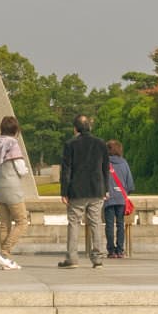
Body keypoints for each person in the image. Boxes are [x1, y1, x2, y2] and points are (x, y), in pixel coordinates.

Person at [59, 114, 110, 270]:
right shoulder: (101, 144)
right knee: (96, 222)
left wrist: (64, 192)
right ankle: (97, 259)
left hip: (77, 190)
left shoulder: (70, 144)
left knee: (74, 223)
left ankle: (72, 258)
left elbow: (66, 170)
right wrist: (106, 189)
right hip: (96, 189)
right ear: (90, 127)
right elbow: (105, 169)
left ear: (75, 129)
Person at [0, 116, 32, 270]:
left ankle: (6, 262)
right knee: (22, 222)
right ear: (15, 130)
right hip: (12, 188)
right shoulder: (13, 144)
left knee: (5, 224)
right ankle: (4, 253)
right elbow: (20, 169)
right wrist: (25, 170)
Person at [105, 140, 134, 259]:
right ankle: (120, 250)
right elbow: (130, 184)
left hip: (108, 198)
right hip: (121, 199)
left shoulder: (104, 163)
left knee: (109, 225)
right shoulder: (124, 163)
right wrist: (124, 192)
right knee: (120, 224)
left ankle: (111, 250)